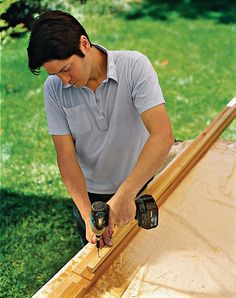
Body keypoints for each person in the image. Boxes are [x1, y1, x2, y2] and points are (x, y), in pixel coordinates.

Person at [27, 10, 174, 248]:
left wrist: (126, 194)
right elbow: (66, 156)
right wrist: (87, 216)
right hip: (89, 198)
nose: (64, 80)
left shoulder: (134, 67)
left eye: (66, 69)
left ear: (84, 44)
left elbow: (163, 135)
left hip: (141, 184)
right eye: (55, 74)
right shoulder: (54, 88)